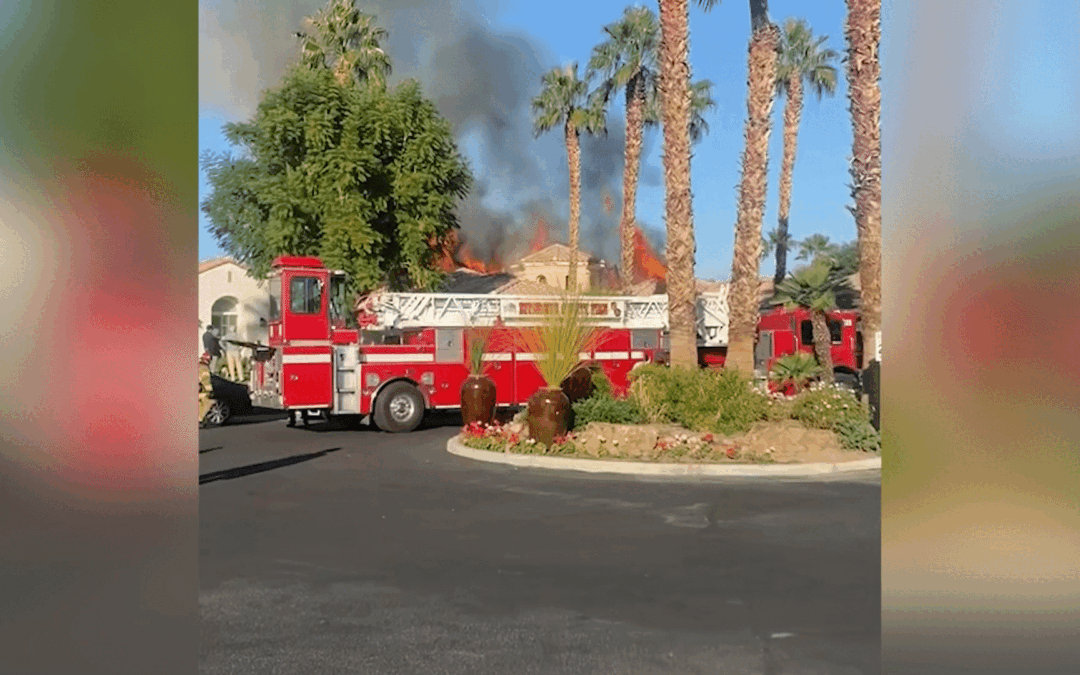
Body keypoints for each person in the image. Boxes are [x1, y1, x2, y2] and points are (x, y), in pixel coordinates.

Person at [198, 353, 214, 428]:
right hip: (200, 392)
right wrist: (210, 391)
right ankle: (199, 420)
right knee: (208, 403)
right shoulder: (204, 369)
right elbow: (206, 382)